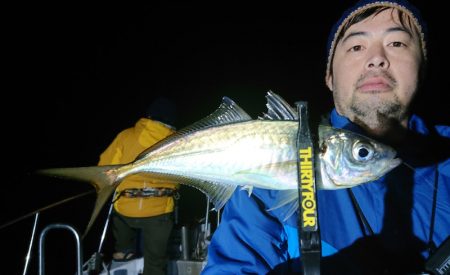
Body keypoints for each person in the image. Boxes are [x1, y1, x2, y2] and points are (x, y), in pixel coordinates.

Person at [202, 0, 450, 274]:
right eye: (356, 46)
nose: (376, 57)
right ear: (330, 77)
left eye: (397, 44)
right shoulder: (264, 184)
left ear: (422, 67)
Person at [98, 97, 179, 275]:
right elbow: (180, 178)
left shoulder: (126, 136)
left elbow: (104, 167)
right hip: (158, 214)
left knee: (122, 251)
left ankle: (123, 255)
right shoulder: (177, 141)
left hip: (125, 210)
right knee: (155, 266)